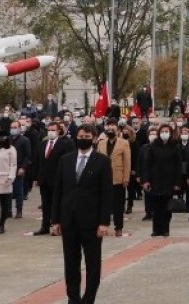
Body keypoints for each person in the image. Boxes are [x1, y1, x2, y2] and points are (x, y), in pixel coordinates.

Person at [50, 125, 113, 304]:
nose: (83, 139)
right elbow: (58, 191)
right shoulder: (66, 160)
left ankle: (88, 299)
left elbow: (106, 194)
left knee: (93, 264)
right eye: (80, 136)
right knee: (71, 263)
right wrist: (55, 220)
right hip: (69, 220)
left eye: (86, 136)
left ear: (94, 139)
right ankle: (73, 298)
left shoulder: (102, 161)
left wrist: (104, 222)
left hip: (92, 221)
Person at [142, 123, 184, 237]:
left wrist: (177, 183)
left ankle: (165, 229)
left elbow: (178, 166)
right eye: (162, 131)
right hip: (155, 180)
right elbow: (147, 164)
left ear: (170, 133)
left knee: (167, 207)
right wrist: (146, 180)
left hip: (169, 180)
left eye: (166, 131)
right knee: (156, 206)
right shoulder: (153, 146)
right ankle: (156, 229)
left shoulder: (175, 146)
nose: (164, 133)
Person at [33, 123, 74, 236]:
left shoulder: (65, 144)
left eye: (53, 130)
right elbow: (37, 161)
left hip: (57, 180)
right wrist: (36, 177)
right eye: (49, 130)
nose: (50, 132)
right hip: (44, 180)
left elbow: (67, 163)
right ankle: (45, 226)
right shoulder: (42, 144)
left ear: (59, 131)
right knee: (45, 204)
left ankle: (58, 226)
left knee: (57, 204)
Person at [97, 121, 131, 236]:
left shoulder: (124, 143)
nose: (110, 131)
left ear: (118, 131)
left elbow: (127, 161)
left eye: (113, 130)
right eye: (109, 129)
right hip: (103, 178)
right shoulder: (101, 143)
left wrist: (126, 178)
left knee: (118, 205)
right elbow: (97, 159)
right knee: (103, 204)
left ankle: (118, 227)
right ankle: (103, 226)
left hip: (118, 178)